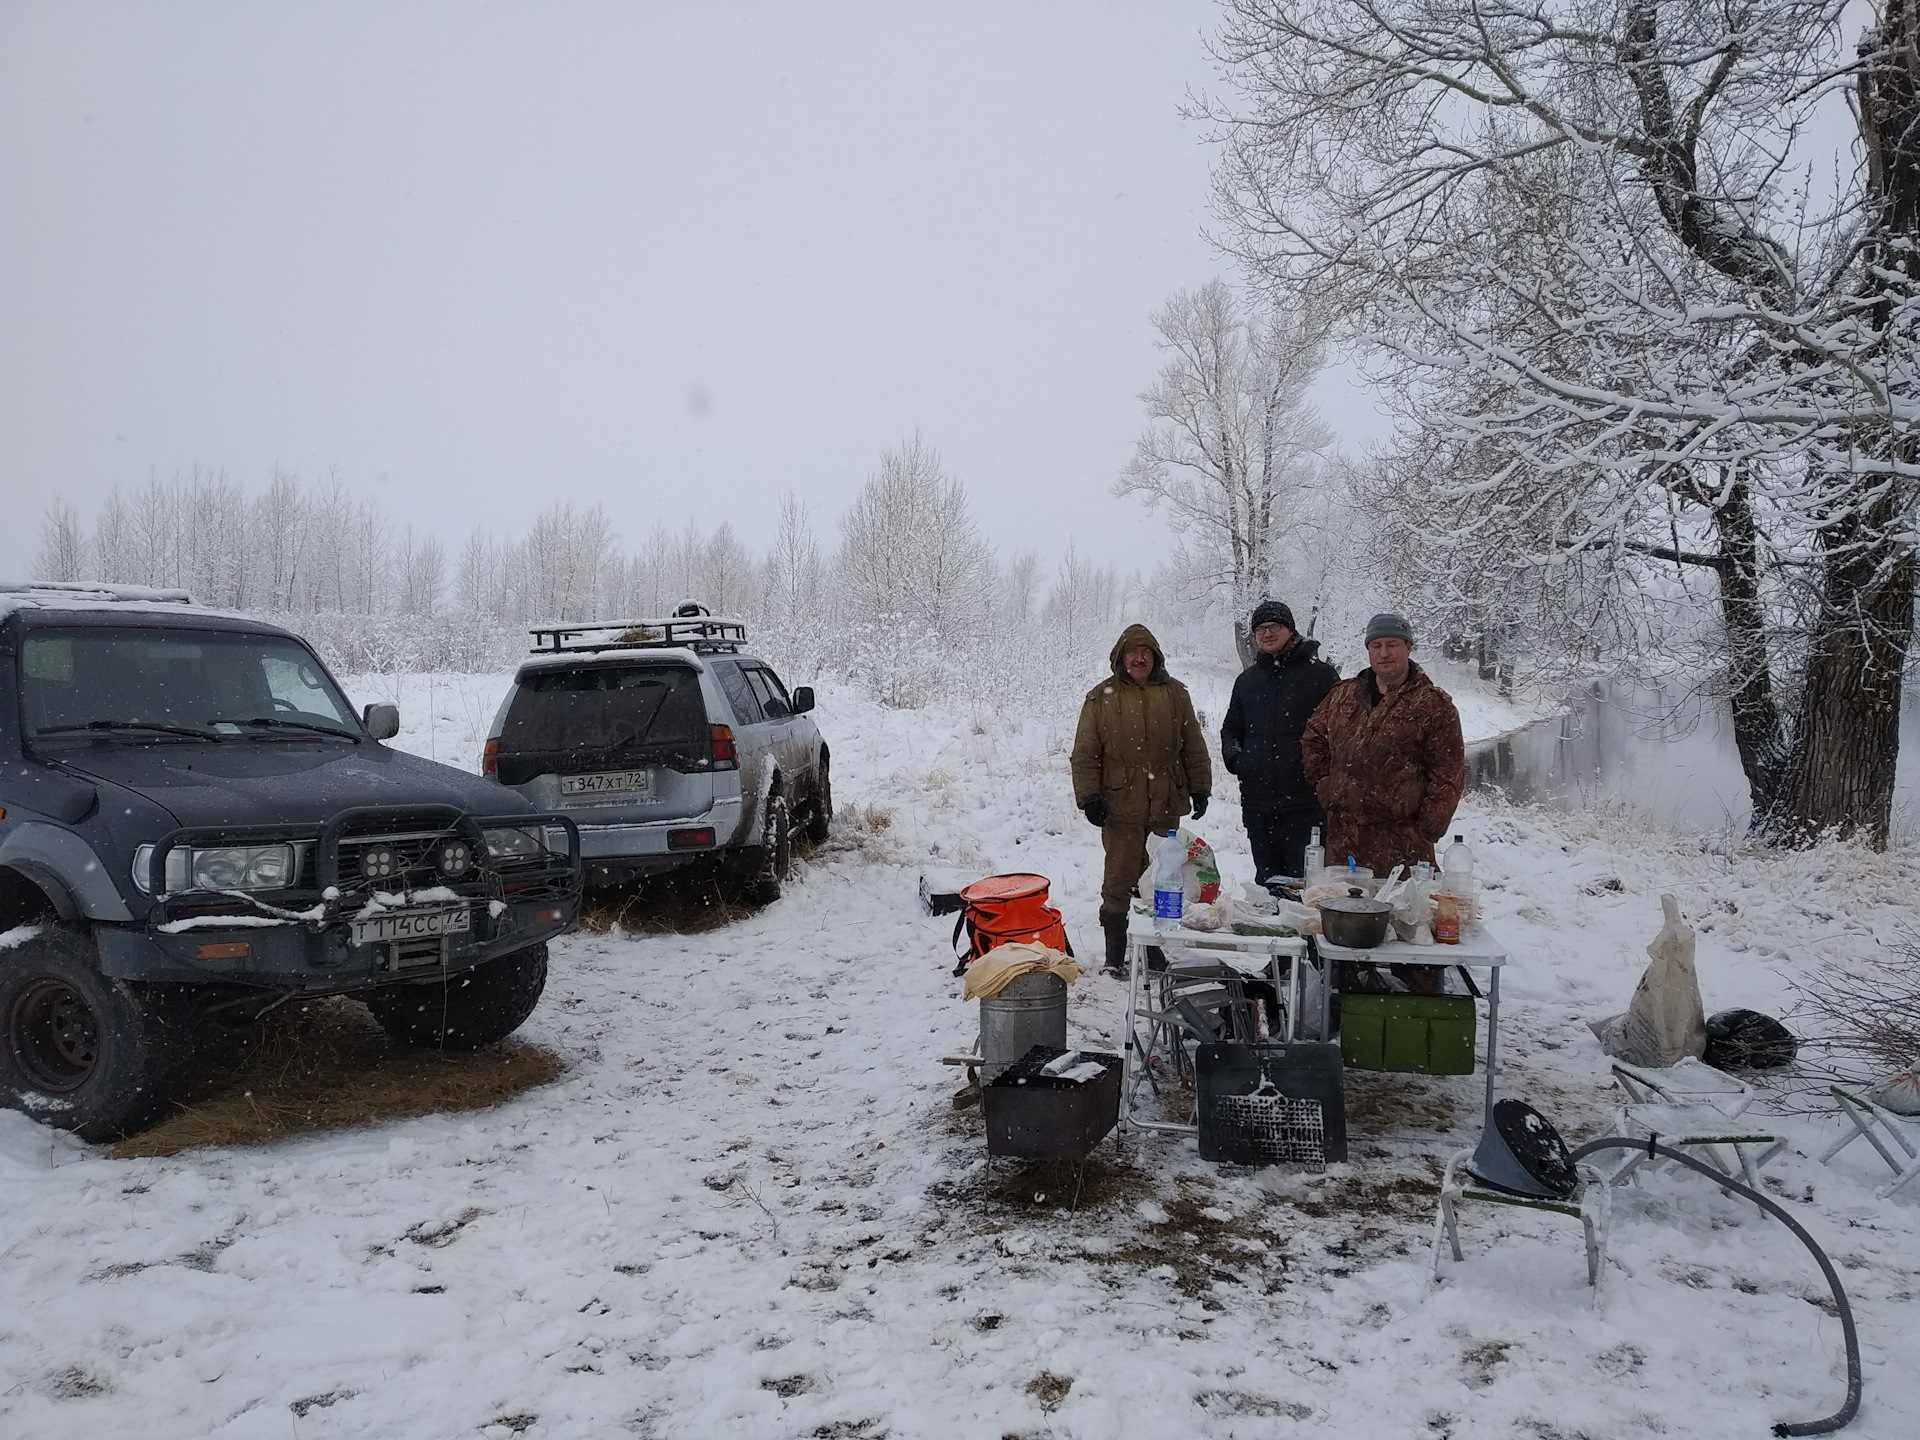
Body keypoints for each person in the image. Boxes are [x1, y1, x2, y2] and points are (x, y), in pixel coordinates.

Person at [1071, 623, 1212, 977]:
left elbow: (1193, 744)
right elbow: (1086, 752)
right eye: (1132, 653)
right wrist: (1089, 797)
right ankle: (1115, 956)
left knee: (1161, 878)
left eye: (1146, 652)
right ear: (1121, 658)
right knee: (1119, 878)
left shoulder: (1176, 694)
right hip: (1120, 804)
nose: (1139, 658)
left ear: (1156, 657)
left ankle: (1152, 951)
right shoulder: (1100, 697)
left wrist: (1200, 787)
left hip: (1166, 801)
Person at [1301, 612, 1465, 876]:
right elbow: (1313, 739)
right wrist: (1325, 786)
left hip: (1403, 846)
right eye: (1376, 646)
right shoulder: (1343, 695)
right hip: (1344, 842)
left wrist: (1425, 830)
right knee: (1342, 911)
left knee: (1402, 914)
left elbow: (1448, 774)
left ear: (1408, 648)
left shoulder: (1434, 705)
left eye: (1392, 644)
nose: (1384, 653)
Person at [1219, 599, 1340, 881]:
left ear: (1290, 629)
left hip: (1306, 805)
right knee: (1267, 884)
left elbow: (1340, 732)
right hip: (1257, 805)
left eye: (1274, 626)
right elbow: (1231, 729)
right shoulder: (1247, 681)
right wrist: (1238, 759)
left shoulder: (1320, 676)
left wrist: (1321, 775)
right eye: (1259, 628)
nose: (1266, 633)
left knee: (1307, 887)